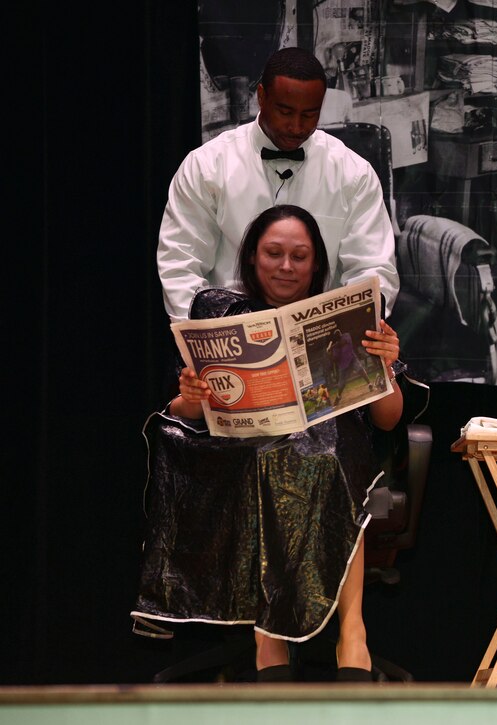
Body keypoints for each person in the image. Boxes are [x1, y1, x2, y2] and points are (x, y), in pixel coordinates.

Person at [134, 205, 404, 682]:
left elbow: (388, 420)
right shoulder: (220, 313)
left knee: (325, 460)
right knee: (265, 459)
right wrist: (192, 397)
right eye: (274, 253)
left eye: (299, 256)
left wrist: (382, 369)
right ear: (252, 258)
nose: (286, 266)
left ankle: (352, 630)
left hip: (331, 452)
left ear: (316, 263)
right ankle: (269, 637)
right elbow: (184, 414)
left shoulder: (348, 316)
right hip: (243, 455)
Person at [157, 46, 399, 323]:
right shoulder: (207, 167)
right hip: (230, 334)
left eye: (309, 115)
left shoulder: (353, 174)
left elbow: (373, 269)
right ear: (261, 97)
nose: (296, 126)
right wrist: (206, 338)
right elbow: (179, 263)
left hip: (323, 341)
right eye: (285, 112)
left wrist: (353, 329)